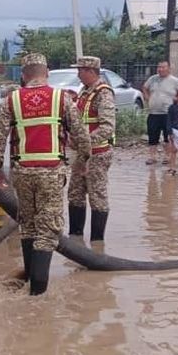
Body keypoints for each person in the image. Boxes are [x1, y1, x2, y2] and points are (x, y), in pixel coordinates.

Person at [0, 53, 91, 296]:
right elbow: (81, 137)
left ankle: (28, 278)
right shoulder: (61, 98)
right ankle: (37, 297)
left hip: (22, 173)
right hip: (51, 172)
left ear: (24, 76)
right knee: (48, 232)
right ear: (46, 73)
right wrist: (84, 161)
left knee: (28, 225)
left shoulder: (11, 100)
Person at [67, 56, 116, 242]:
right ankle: (75, 238)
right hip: (81, 155)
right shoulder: (84, 92)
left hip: (97, 154)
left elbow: (107, 127)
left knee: (97, 196)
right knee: (75, 195)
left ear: (90, 71)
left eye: (80, 70)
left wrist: (85, 141)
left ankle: (97, 243)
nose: (78, 74)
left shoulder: (103, 94)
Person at [142, 60, 178, 165]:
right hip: (154, 112)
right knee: (152, 135)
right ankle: (152, 157)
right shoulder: (153, 79)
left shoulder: (174, 81)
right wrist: (147, 97)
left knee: (168, 136)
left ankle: (167, 157)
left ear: (168, 68)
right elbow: (145, 87)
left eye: (163, 67)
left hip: (168, 113)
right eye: (159, 67)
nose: (161, 69)